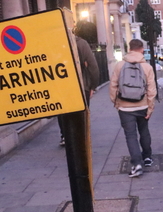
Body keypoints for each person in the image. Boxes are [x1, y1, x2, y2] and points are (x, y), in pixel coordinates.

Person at [109, 39, 157, 178]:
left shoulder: (119, 65)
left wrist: (116, 103)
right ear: (141, 49)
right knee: (144, 130)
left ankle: (137, 165)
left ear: (129, 49)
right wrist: (150, 107)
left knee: (130, 136)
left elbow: (113, 86)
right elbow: (151, 90)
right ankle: (147, 157)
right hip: (142, 105)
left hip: (125, 107)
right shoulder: (147, 67)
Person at [59, 34, 100, 146]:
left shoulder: (54, 42)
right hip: (82, 84)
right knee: (82, 110)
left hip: (62, 85)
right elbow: (93, 66)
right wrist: (93, 86)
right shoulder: (81, 43)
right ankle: (81, 135)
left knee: (63, 112)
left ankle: (64, 135)